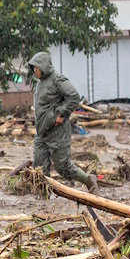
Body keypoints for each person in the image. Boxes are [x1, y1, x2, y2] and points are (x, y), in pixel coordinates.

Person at [27, 51, 97, 193]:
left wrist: (61, 114)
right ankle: (43, 197)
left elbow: (74, 97)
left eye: (36, 67)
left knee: (63, 168)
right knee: (39, 169)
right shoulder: (39, 84)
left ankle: (89, 180)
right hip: (42, 133)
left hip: (58, 133)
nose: (34, 70)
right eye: (33, 67)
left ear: (44, 66)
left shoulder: (58, 80)